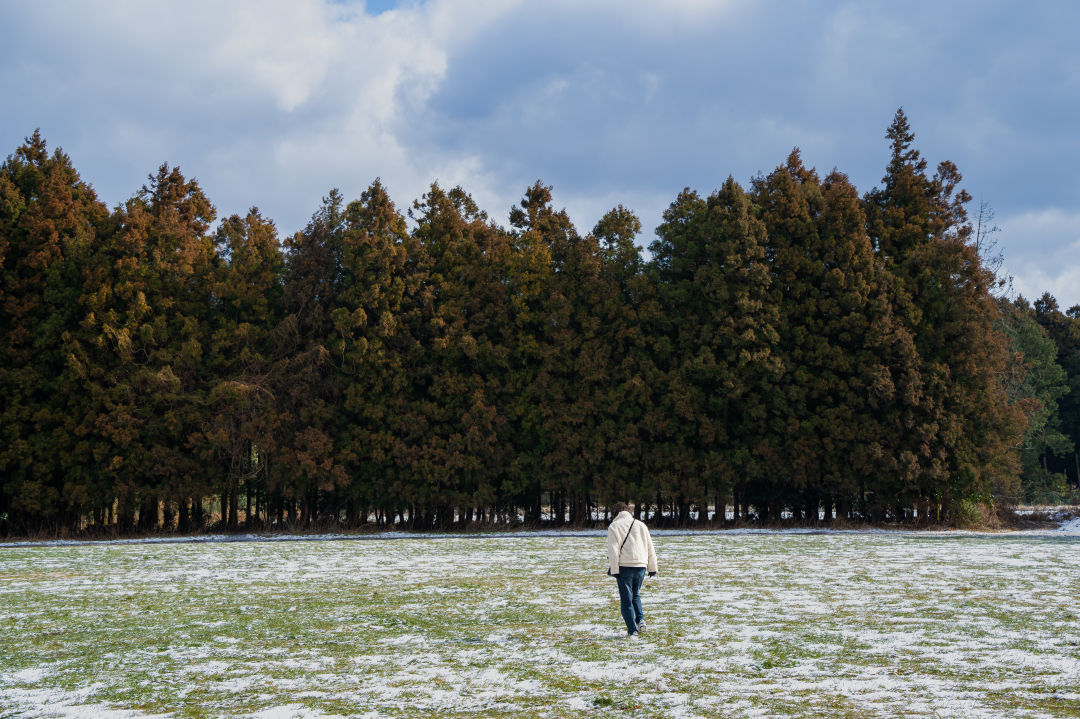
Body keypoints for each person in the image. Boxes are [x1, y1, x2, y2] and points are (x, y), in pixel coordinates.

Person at [606, 502, 658, 637]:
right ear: (628, 511)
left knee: (626, 599)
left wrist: (615, 570)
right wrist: (652, 567)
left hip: (624, 567)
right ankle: (640, 620)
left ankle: (632, 630)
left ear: (615, 513)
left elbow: (613, 551)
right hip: (641, 565)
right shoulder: (641, 525)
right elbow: (650, 547)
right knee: (635, 595)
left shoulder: (614, 526)